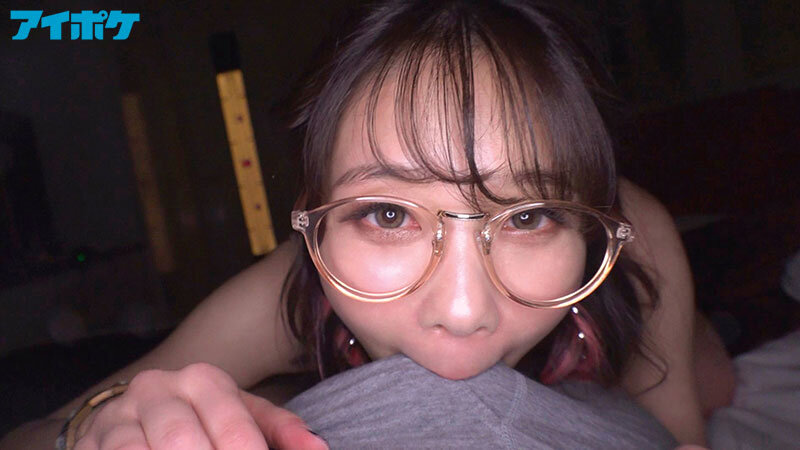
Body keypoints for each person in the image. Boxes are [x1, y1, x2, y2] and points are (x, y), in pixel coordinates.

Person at [0, 1, 715, 448]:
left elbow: (682, 432)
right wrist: (96, 425)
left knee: (716, 379)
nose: (462, 311)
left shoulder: (637, 240)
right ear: (313, 219)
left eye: (528, 216)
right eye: (388, 214)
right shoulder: (294, 286)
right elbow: (30, 435)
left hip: (644, 337)